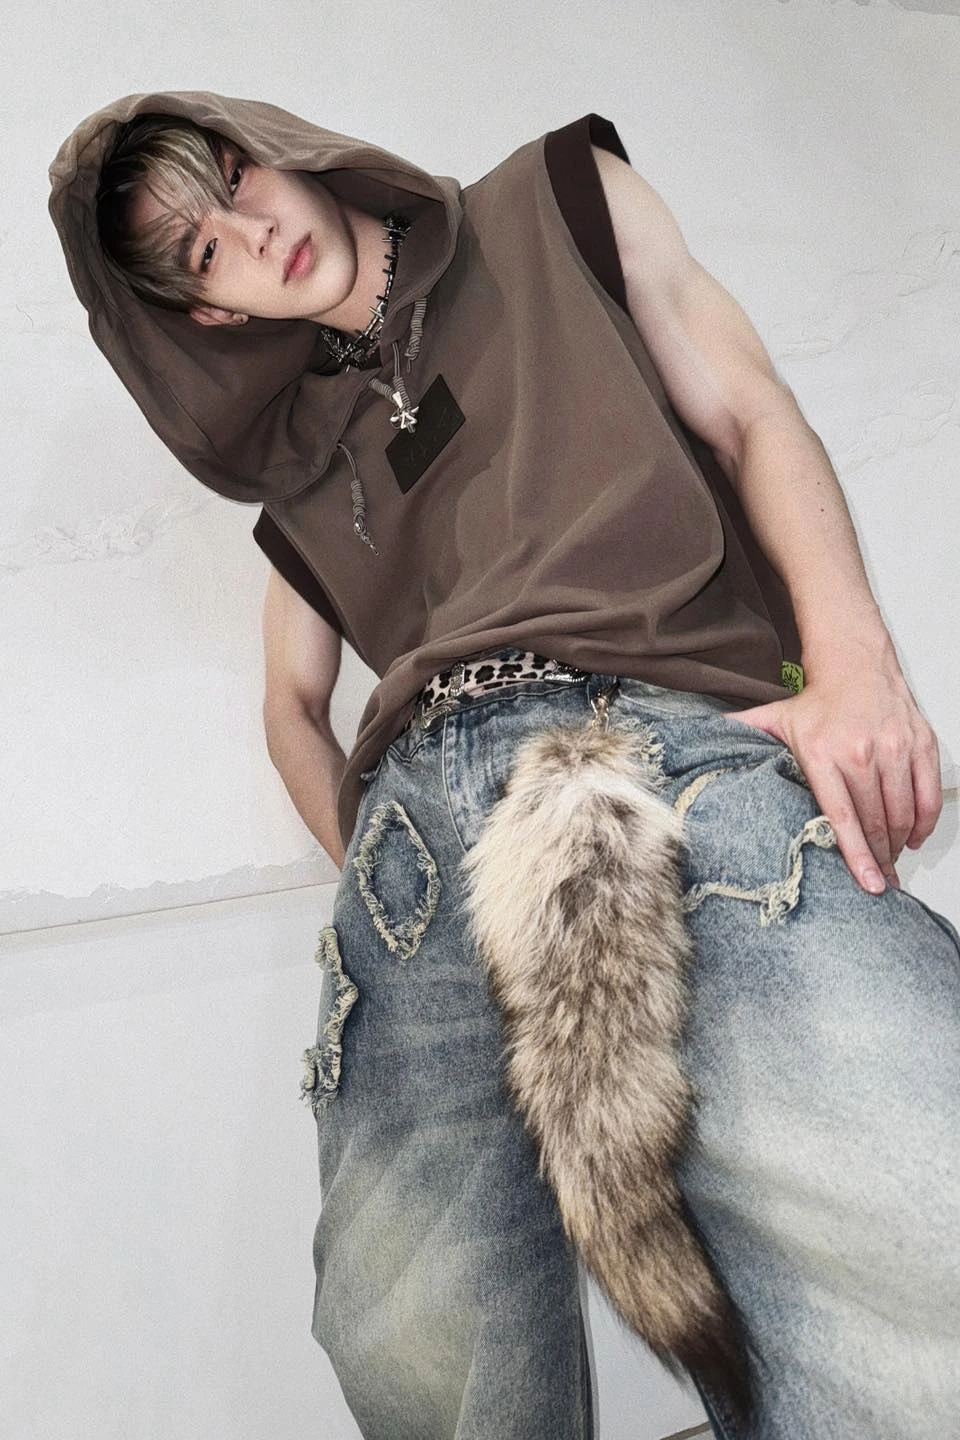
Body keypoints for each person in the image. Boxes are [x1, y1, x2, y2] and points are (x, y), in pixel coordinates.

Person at [48, 92, 959, 1440]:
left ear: (277, 146)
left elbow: (750, 411)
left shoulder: (557, 200)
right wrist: (379, 865)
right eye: (201, 252)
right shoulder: (303, 471)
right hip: (425, 845)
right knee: (429, 1367)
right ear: (212, 312)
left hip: (663, 751)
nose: (250, 232)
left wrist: (857, 671)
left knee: (922, 1227)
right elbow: (289, 705)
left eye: (234, 178)